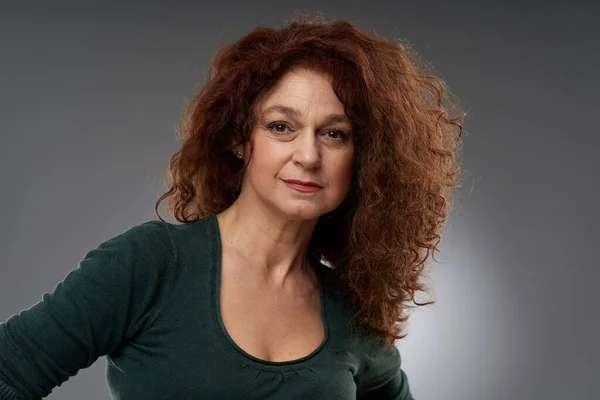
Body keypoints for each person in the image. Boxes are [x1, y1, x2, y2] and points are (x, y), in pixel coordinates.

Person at [0, 16, 463, 400]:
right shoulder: (149, 264)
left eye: (334, 133)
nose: (308, 155)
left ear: (365, 158)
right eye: (282, 126)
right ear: (241, 138)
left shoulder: (352, 313)